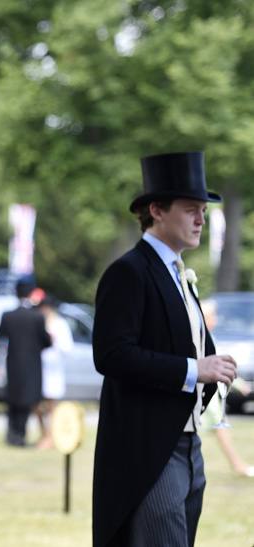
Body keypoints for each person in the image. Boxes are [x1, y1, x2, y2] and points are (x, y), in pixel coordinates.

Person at [92, 151, 238, 547]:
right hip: (149, 452)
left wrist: (216, 366)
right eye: (191, 209)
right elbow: (111, 354)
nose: (201, 220)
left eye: (203, 211)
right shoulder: (129, 271)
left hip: (190, 445)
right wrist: (195, 370)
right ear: (156, 210)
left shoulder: (179, 274)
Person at [200, 299, 254, 477]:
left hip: (209, 393)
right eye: (212, 316)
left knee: (218, 428)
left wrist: (238, 383)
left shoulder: (208, 336)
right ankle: (237, 465)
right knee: (218, 427)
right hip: (204, 392)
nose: (215, 320)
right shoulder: (200, 337)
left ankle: (237, 464)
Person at [0, 279, 52, 447]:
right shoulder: (37, 317)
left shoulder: (8, 315)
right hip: (32, 365)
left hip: (12, 364)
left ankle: (12, 434)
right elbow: (46, 342)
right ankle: (20, 435)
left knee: (13, 400)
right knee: (27, 401)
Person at [35, 294, 73, 450]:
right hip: (38, 368)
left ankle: (51, 436)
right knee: (37, 405)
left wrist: (54, 339)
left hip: (54, 369)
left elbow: (67, 347)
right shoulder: (38, 322)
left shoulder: (60, 324)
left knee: (52, 406)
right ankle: (44, 434)